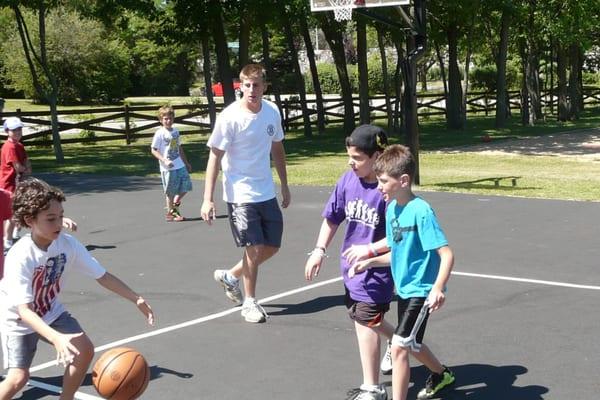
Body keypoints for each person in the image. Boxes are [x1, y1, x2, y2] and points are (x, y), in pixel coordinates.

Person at [0, 178, 155, 400]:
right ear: (29, 220)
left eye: (61, 216)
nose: (58, 224)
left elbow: (102, 276)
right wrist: (56, 338)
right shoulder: (20, 255)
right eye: (51, 219)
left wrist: (136, 298)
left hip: (49, 311)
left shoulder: (67, 245)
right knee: (18, 379)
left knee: (84, 351)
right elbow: (24, 311)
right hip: (18, 320)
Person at [348, 144, 455, 400]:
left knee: (398, 347)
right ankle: (442, 374)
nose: (379, 186)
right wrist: (370, 260)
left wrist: (438, 288)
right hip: (404, 290)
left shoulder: (422, 212)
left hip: (422, 291)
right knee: (412, 343)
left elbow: (447, 254)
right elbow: (397, 249)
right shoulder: (393, 208)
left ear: (404, 180)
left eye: (384, 181)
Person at [304, 125, 394, 400]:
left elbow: (398, 236)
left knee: (365, 322)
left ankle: (372, 388)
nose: (350, 162)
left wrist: (370, 254)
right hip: (351, 269)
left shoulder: (387, 189)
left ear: (377, 156)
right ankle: (398, 339)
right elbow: (332, 218)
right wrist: (319, 250)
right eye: (349, 156)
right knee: (366, 320)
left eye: (357, 158)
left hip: (377, 269)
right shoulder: (347, 180)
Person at [201, 63, 291, 324]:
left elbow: (277, 149)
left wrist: (284, 184)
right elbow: (214, 157)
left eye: (257, 85)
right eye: (247, 85)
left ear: (264, 86)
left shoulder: (272, 112)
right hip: (239, 193)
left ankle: (231, 276)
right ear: (241, 86)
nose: (252, 90)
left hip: (265, 189)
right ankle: (249, 302)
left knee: (272, 246)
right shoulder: (229, 117)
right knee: (254, 247)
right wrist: (208, 199)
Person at [151, 105, 192, 222]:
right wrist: (164, 160)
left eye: (170, 118)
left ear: (173, 118)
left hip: (179, 164)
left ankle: (174, 203)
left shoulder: (176, 131)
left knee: (186, 186)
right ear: (161, 120)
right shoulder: (159, 133)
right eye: (165, 119)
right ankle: (171, 214)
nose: (168, 121)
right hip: (168, 168)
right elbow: (153, 150)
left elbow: (179, 148)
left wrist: (186, 162)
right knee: (170, 192)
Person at [1, 117, 31, 251]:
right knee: (11, 213)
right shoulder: (9, 146)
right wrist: (25, 170)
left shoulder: (19, 145)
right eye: (14, 130)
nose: (18, 132)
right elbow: (18, 166)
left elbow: (27, 161)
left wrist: (26, 169)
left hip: (18, 182)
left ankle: (14, 233)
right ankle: (7, 240)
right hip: (9, 183)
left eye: (19, 129)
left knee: (20, 208)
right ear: (7, 131)